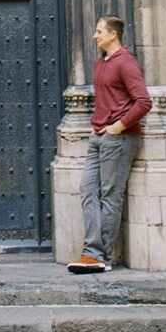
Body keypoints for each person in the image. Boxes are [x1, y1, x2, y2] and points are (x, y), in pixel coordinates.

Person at [68, 15, 152, 273]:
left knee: (110, 196)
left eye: (99, 31)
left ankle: (100, 257)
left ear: (113, 34)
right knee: (87, 190)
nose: (95, 36)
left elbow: (144, 101)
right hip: (98, 135)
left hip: (118, 137)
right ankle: (92, 252)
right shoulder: (100, 62)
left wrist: (118, 127)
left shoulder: (125, 62)